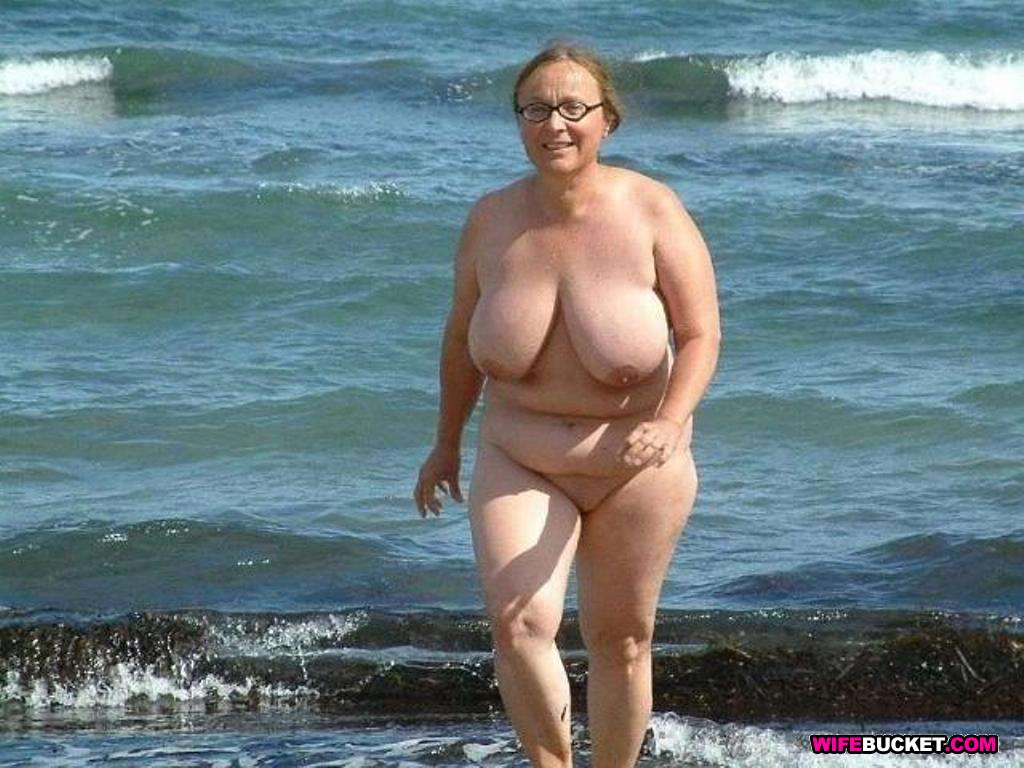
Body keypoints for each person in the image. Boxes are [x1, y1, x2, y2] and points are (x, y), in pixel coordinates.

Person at [414, 41, 721, 768]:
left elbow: (700, 334)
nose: (554, 123)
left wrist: (669, 419)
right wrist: (445, 443)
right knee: (520, 624)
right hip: (520, 455)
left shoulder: (653, 209)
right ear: (518, 122)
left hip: (637, 464)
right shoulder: (490, 219)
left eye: (573, 108)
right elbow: (459, 340)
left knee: (622, 640)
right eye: (535, 109)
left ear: (607, 120)